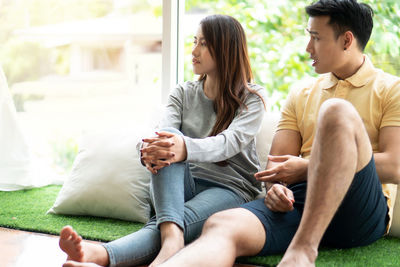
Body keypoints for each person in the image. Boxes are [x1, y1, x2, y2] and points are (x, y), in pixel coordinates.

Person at [155, 1, 400, 266]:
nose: (308, 47)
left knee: (336, 112)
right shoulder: (302, 92)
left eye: (316, 38)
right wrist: (275, 190)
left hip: (357, 207)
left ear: (346, 40)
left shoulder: (390, 89)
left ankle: (303, 251)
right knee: (221, 223)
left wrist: (308, 167)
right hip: (298, 204)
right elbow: (276, 165)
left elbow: (395, 165)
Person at [58, 14, 267, 267]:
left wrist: (183, 148)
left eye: (203, 43)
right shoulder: (182, 93)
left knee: (174, 219)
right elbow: (161, 136)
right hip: (180, 185)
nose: (194, 50)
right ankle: (169, 243)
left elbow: (229, 143)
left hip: (231, 189)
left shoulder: (252, 98)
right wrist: (147, 148)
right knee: (169, 141)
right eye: (194, 41)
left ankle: (98, 255)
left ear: (225, 49)